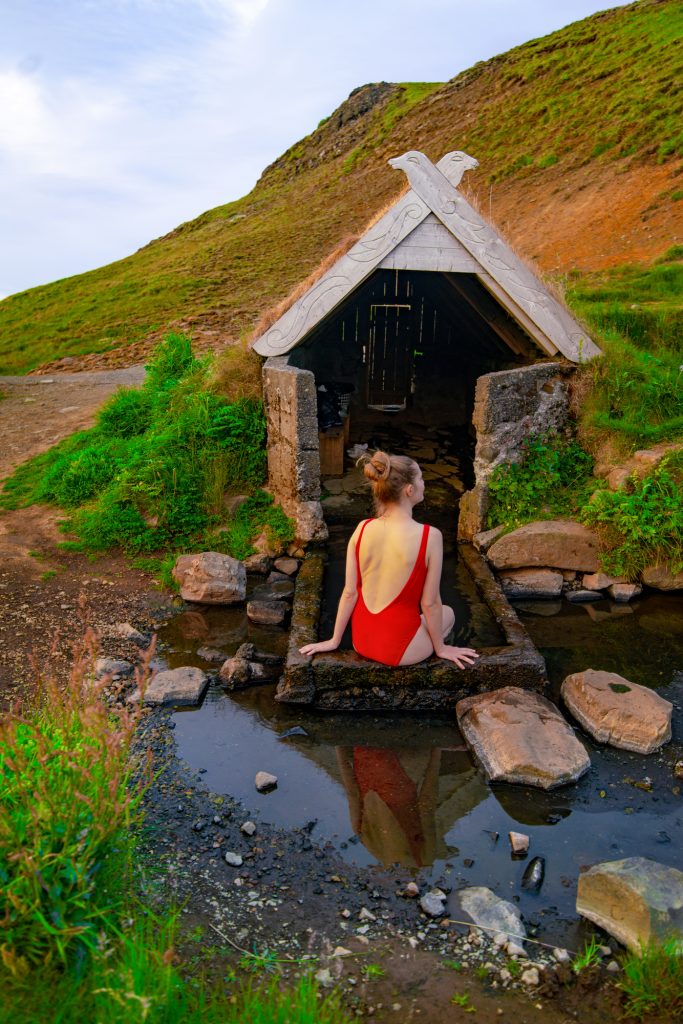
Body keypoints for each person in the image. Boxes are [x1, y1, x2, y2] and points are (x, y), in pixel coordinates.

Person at [299, 450, 479, 669]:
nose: (424, 483)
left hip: (361, 642)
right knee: (448, 613)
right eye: (421, 478)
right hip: (400, 651)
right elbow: (430, 603)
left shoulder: (362, 528)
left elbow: (349, 593)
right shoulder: (429, 536)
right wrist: (441, 649)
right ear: (410, 490)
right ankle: (433, 646)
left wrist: (334, 641)